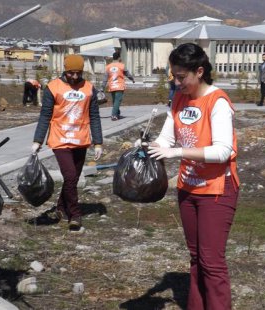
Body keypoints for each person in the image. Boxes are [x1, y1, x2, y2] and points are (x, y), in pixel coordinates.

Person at [147, 43, 240, 310]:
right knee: (197, 256)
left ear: (199, 72)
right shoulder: (178, 98)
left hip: (217, 190)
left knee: (212, 261)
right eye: (173, 76)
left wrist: (176, 152)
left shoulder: (217, 101)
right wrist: (149, 148)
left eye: (181, 77)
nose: (176, 83)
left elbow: (224, 150)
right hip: (188, 188)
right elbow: (167, 137)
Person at [31, 54, 103, 233]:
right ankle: (75, 215)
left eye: (78, 73)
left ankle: (61, 208)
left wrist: (98, 142)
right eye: (71, 73)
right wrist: (38, 140)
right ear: (65, 70)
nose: (75, 77)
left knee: (73, 178)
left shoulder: (89, 89)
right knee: (70, 176)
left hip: (80, 139)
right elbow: (45, 115)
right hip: (59, 138)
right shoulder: (53, 87)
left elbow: (94, 116)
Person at [103, 51, 135, 121]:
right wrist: (132, 79)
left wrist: (103, 87)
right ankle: (114, 115)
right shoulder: (122, 65)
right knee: (117, 101)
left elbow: (105, 78)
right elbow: (128, 74)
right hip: (119, 86)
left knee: (115, 101)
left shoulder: (108, 66)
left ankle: (117, 113)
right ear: (119, 58)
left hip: (112, 86)